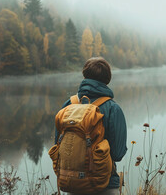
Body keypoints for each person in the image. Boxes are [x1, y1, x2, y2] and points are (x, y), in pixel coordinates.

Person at [54, 57, 127, 195]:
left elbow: (58, 146)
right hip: (105, 185)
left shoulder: (69, 105)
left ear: (85, 76)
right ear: (107, 79)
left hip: (73, 184)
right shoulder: (113, 108)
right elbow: (117, 154)